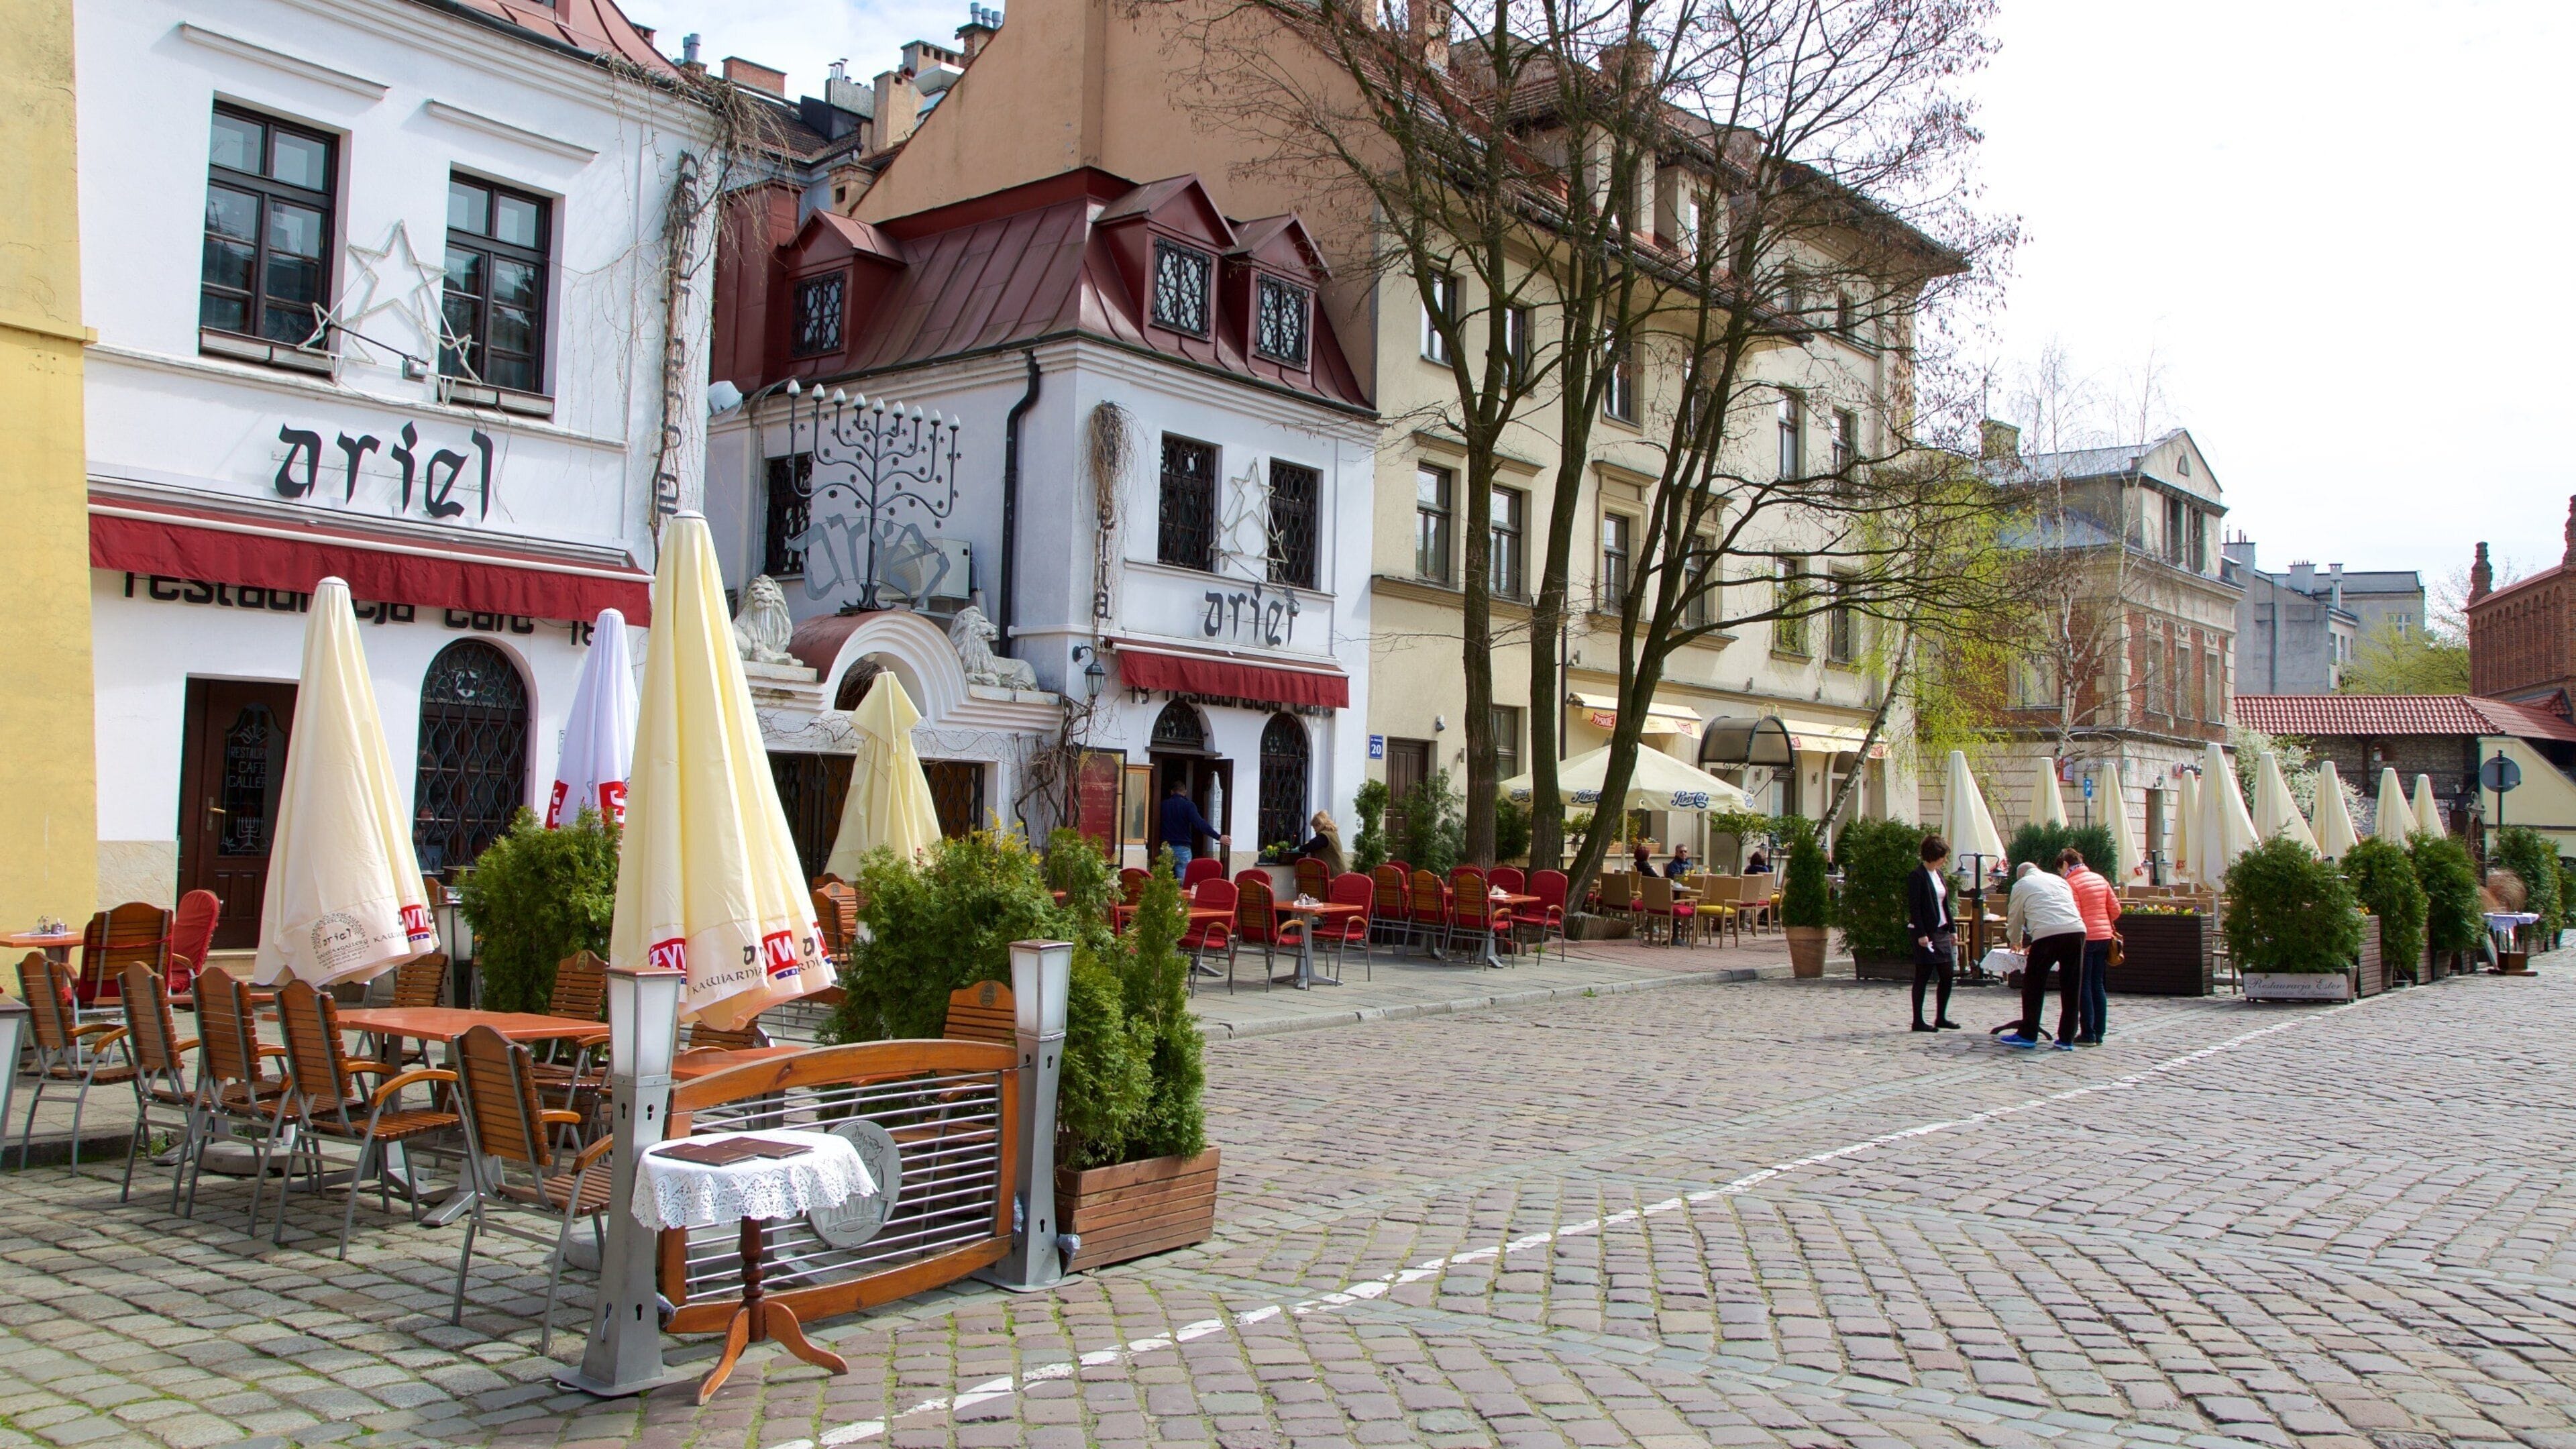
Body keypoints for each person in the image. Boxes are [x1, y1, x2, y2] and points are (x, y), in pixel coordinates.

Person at [2002, 860, 2086, 1050]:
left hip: (2047, 934)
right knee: (2072, 986)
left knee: (2033, 984)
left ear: (2021, 875)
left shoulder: (2021, 885)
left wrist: (2015, 940)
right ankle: (2067, 1038)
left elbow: (2015, 916)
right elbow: (2064, 907)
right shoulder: (2058, 880)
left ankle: (2028, 1033)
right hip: (2076, 930)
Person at [2060, 847, 2120, 1046]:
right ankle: (2099, 1032)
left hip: (2086, 937)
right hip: (2104, 936)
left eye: (2061, 868)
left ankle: (2088, 1033)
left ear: (2067, 864)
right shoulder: (2100, 879)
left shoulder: (2072, 883)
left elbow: (2074, 913)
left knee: (2083, 984)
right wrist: (2103, 921)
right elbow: (2116, 909)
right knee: (2098, 984)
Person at [1907, 835, 1961, 1032]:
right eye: (1942, 857)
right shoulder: (1917, 876)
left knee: (1947, 974)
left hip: (1942, 930)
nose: (1944, 861)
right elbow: (1915, 907)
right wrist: (1921, 933)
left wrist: (1952, 929)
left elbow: (1946, 904)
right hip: (1925, 932)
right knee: (1923, 974)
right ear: (1933, 855)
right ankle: (1918, 1020)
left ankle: (1941, 1017)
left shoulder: (1939, 875)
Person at [1158, 778, 1228, 877]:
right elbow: (1200, 823)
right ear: (1185, 792)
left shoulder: (1163, 805)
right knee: (1183, 881)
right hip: (1183, 848)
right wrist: (1218, 837)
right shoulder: (1188, 806)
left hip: (1166, 847)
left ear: (1171, 792)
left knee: (1163, 880)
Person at [1298, 810, 1347, 875]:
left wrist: (1299, 849)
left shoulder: (1324, 836)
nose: (1314, 829)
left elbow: (1311, 846)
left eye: (1314, 827)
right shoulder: (1332, 834)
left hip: (1332, 872)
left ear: (1319, 825)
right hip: (1338, 870)